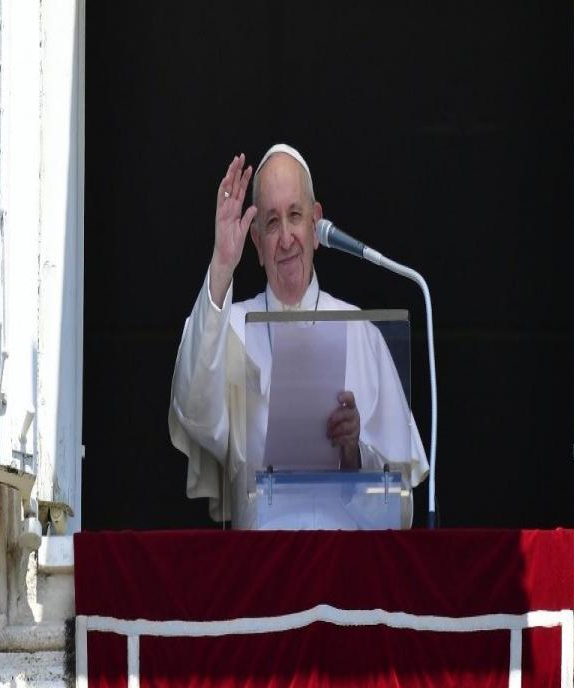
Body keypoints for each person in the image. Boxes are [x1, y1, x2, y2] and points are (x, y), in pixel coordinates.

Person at [169, 144, 428, 527]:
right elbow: (193, 411)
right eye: (271, 223)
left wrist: (353, 453)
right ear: (256, 242)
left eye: (295, 216)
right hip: (262, 572)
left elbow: (401, 508)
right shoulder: (232, 327)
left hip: (342, 573)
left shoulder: (362, 333)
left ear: (316, 223)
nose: (287, 238)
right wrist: (222, 265)